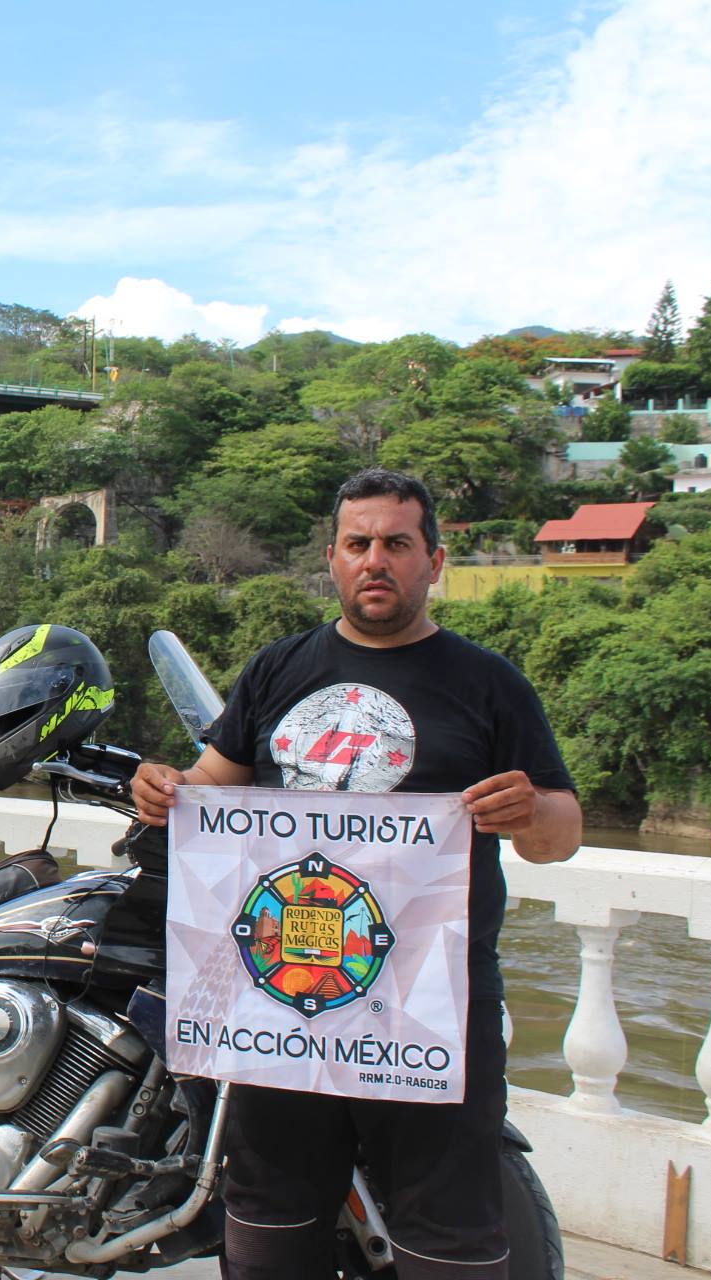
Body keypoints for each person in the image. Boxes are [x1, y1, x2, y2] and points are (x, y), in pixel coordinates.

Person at [132, 467, 581, 1280]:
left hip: (431, 1009)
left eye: (397, 544)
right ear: (333, 559)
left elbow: (562, 832)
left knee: (449, 1239)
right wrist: (165, 791)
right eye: (358, 543)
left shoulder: (489, 685)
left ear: (433, 561)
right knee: (271, 1225)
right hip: (279, 1000)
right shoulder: (277, 670)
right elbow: (211, 789)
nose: (377, 560)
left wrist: (530, 813)